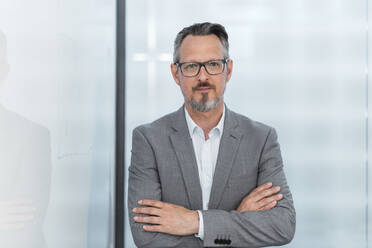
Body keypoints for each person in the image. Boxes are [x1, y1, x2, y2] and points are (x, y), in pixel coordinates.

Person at [128, 22, 295, 248]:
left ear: (229, 70)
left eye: (213, 64)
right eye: (191, 66)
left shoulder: (261, 139)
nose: (203, 76)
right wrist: (238, 216)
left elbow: (282, 225)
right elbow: (146, 237)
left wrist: (196, 222)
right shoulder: (148, 140)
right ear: (176, 73)